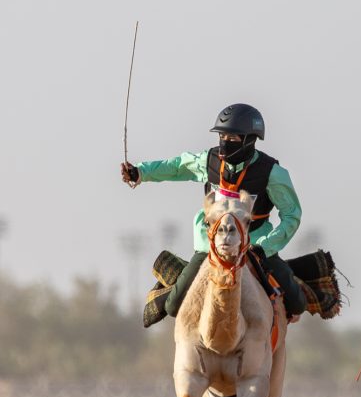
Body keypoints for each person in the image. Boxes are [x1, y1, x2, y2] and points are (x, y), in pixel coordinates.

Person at [120, 103, 306, 319]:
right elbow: (177, 167)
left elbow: (291, 215)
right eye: (221, 136)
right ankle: (177, 276)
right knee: (173, 307)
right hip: (212, 244)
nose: (225, 142)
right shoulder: (209, 160)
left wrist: (266, 246)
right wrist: (140, 172)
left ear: (250, 140)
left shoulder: (272, 173)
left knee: (297, 303)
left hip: (254, 244)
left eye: (232, 138)